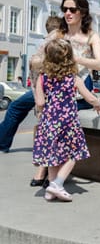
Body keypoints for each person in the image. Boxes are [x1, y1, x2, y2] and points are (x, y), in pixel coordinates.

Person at [0, 0, 100, 154]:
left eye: (72, 9)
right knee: (15, 107)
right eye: (65, 9)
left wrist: (74, 58)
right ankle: (2, 144)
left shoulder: (91, 36)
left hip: (77, 84)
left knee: (55, 112)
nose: (67, 13)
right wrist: (38, 85)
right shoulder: (57, 34)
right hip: (52, 82)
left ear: (82, 12)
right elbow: (35, 60)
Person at [33, 39, 100, 202]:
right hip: (68, 122)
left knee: (52, 156)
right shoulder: (73, 78)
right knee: (73, 154)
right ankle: (58, 183)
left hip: (49, 121)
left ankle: (50, 191)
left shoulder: (42, 78)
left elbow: (40, 102)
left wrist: (41, 112)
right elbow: (89, 98)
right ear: (69, 58)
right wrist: (98, 105)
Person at [29, 16, 63, 187]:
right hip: (56, 92)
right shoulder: (60, 39)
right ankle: (49, 175)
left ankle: (42, 172)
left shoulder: (43, 42)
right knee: (54, 135)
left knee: (45, 133)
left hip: (41, 88)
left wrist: (37, 94)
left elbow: (33, 65)